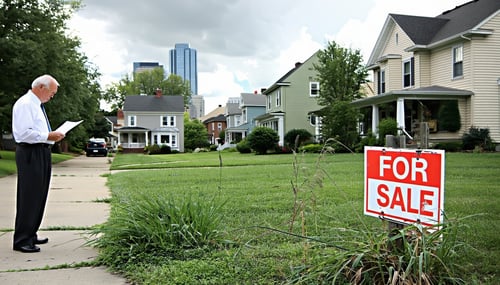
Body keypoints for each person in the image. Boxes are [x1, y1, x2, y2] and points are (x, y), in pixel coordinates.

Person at [11, 74, 65, 253]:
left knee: (39, 195)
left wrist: (50, 138)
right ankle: (22, 239)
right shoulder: (25, 104)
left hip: (41, 151)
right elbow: (24, 133)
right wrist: (48, 136)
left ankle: (31, 233)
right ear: (41, 87)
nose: (52, 96)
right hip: (30, 153)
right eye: (52, 92)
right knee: (29, 196)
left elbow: (37, 130)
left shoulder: (36, 105)